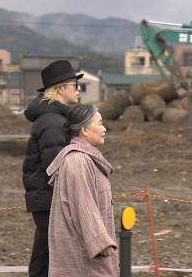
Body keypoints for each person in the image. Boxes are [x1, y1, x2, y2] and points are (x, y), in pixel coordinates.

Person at [22, 60, 83, 277]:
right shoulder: (52, 122)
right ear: (61, 89)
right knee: (59, 257)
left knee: (44, 257)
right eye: (75, 85)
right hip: (51, 200)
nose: (79, 90)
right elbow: (57, 165)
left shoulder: (54, 118)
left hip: (46, 199)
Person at [46, 104, 119, 277]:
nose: (104, 129)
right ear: (84, 130)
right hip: (85, 258)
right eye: (100, 123)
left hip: (88, 254)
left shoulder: (83, 159)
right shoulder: (78, 161)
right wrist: (100, 242)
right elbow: (84, 205)